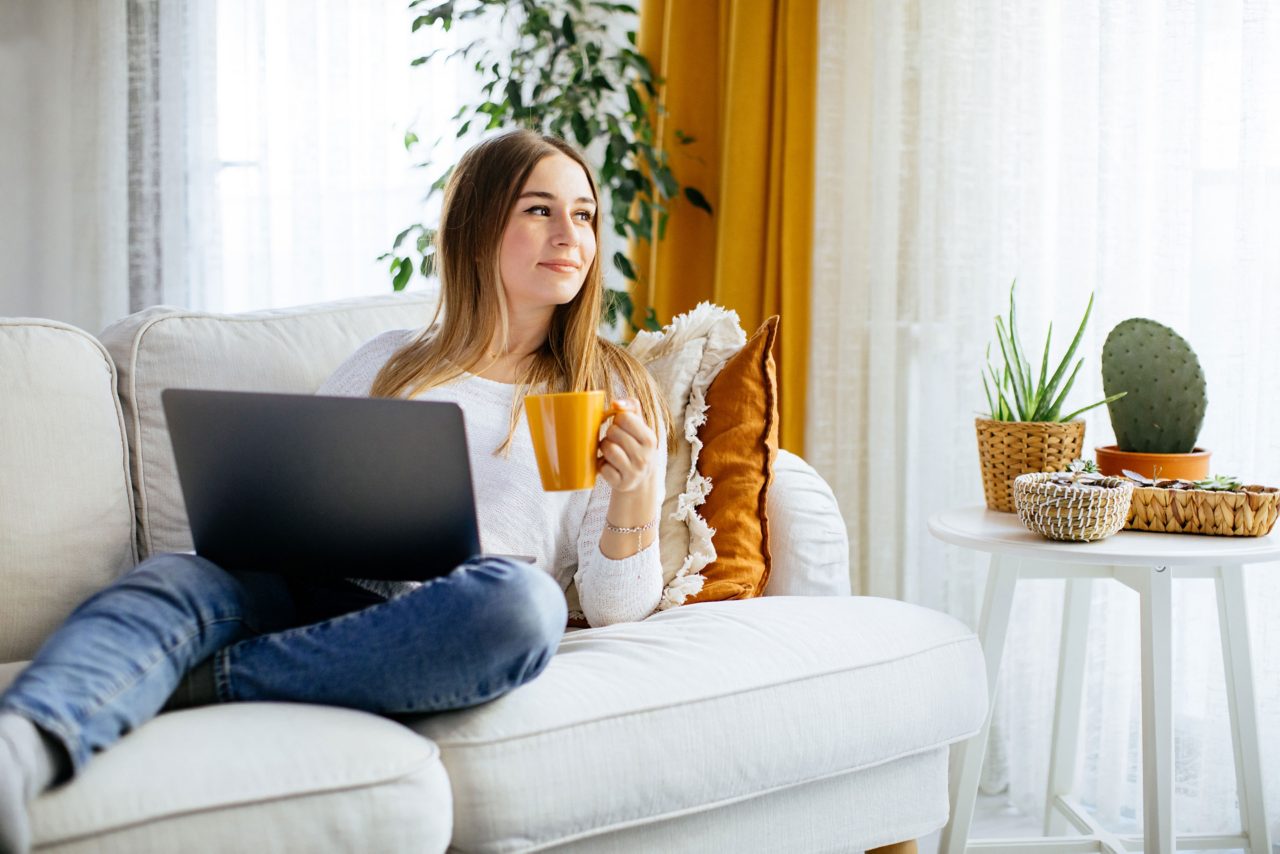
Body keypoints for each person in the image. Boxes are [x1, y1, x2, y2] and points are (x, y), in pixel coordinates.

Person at [0, 129, 670, 854]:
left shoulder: (612, 388)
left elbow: (615, 606)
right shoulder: (392, 361)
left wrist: (636, 492)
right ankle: (23, 748)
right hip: (302, 588)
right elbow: (295, 490)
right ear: (479, 231)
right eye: (540, 209)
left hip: (435, 618)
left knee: (522, 606)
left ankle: (201, 680)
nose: (570, 234)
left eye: (585, 215)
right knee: (173, 577)